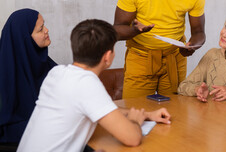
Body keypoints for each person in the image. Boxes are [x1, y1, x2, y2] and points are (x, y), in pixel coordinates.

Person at [17, 19, 171, 151]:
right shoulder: (86, 84)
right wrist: (135, 122)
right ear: (108, 57)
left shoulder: (57, 73)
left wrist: (147, 115)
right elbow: (132, 138)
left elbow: (105, 109)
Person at [0, 9, 56, 146]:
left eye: (44, 25)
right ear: (24, 39)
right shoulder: (5, 74)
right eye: (40, 29)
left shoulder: (49, 67)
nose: (47, 30)